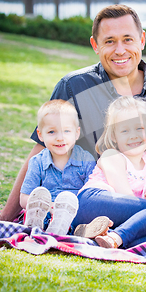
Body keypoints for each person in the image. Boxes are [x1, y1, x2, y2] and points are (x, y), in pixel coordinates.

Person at [0, 4, 146, 246]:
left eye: (128, 39)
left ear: (142, 40)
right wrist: (6, 215)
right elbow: (41, 151)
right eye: (109, 41)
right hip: (95, 199)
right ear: (95, 45)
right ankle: (96, 228)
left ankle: (101, 235)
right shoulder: (74, 86)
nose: (120, 50)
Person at [74, 96, 146, 248]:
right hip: (91, 202)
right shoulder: (112, 156)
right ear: (114, 136)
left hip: (115, 219)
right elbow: (126, 197)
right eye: (125, 130)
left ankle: (99, 238)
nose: (133, 135)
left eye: (139, 128)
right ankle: (116, 237)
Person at [20, 99, 96, 235]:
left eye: (66, 131)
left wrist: (64, 209)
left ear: (76, 133)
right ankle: (35, 224)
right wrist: (49, 207)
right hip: (45, 210)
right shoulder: (37, 161)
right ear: (40, 135)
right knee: (36, 207)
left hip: (74, 212)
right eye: (51, 132)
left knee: (75, 215)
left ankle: (61, 227)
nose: (60, 138)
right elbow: (24, 198)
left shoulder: (86, 160)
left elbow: (90, 197)